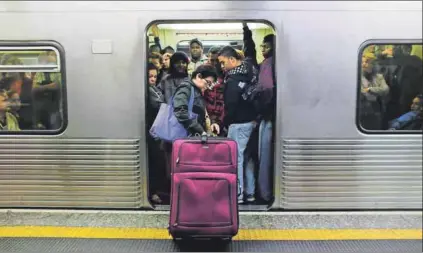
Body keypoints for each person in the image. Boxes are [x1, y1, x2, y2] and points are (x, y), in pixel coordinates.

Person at [218, 45, 258, 204]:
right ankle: (250, 193)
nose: (221, 66)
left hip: (238, 124)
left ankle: (238, 194)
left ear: (232, 60)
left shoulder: (233, 80)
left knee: (236, 159)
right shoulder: (250, 74)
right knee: (248, 158)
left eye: (223, 63)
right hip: (251, 122)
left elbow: (231, 105)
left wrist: (225, 122)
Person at [173, 64, 220, 136]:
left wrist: (212, 122)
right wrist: (200, 130)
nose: (208, 86)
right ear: (199, 76)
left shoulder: (197, 90)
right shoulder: (186, 88)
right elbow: (180, 111)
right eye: (208, 82)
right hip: (184, 136)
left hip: (190, 135)